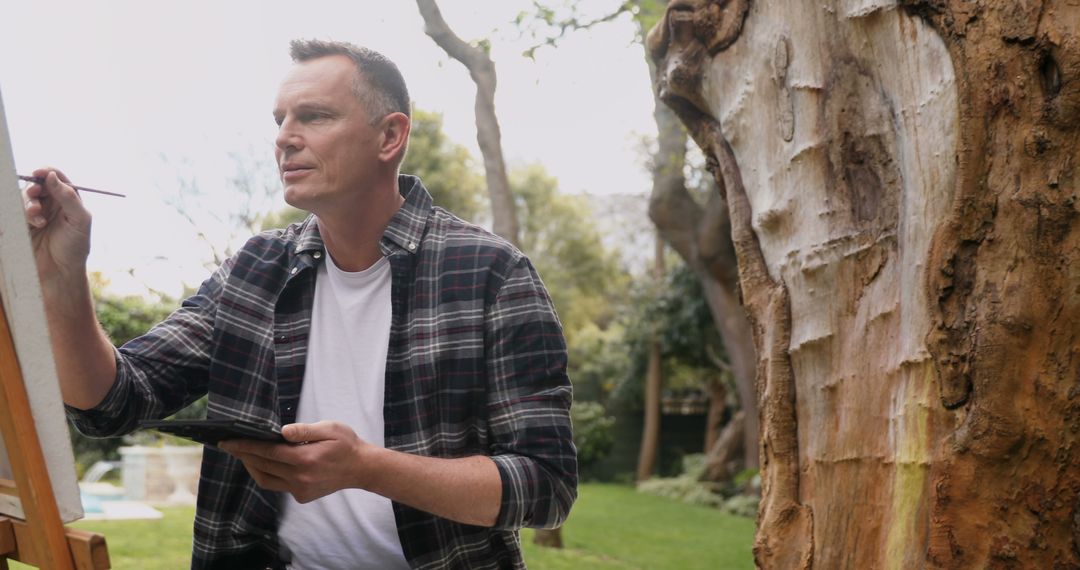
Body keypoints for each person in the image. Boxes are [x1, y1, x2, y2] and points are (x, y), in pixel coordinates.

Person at [23, 39, 577, 569]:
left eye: (312, 116)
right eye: (279, 120)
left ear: (389, 136)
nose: (284, 138)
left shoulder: (491, 275)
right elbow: (111, 402)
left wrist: (365, 468)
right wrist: (64, 276)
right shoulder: (255, 270)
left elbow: (544, 486)